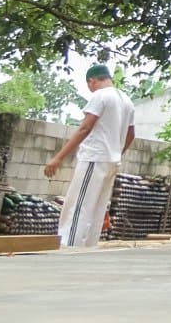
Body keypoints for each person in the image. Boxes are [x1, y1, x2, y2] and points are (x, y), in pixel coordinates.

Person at [44, 64, 136, 249]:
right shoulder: (127, 101)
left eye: (89, 85)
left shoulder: (100, 96)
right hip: (112, 161)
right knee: (97, 207)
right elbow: (131, 134)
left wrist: (58, 158)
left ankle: (68, 247)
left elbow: (85, 128)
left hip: (94, 158)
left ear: (92, 81)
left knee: (78, 206)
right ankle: (88, 247)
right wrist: (116, 152)